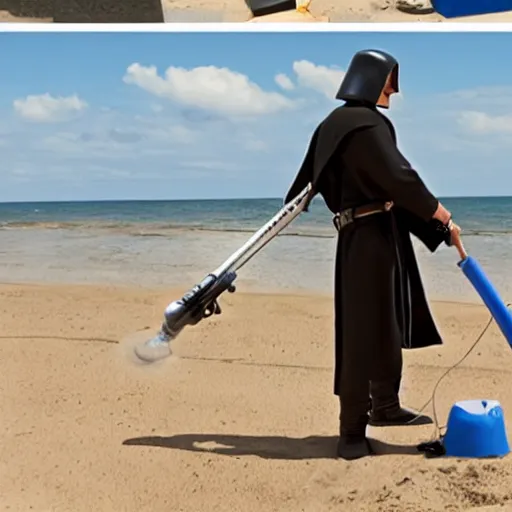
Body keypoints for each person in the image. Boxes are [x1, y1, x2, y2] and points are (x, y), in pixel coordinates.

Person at [284, 49, 462, 461]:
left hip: (374, 232)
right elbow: (399, 178)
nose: (393, 91)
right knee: (364, 330)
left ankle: (385, 405)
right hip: (367, 238)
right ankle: (351, 430)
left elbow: (310, 185)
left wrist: (435, 229)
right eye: (388, 81)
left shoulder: (333, 125)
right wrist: (439, 213)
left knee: (387, 322)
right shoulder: (364, 125)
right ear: (370, 78)